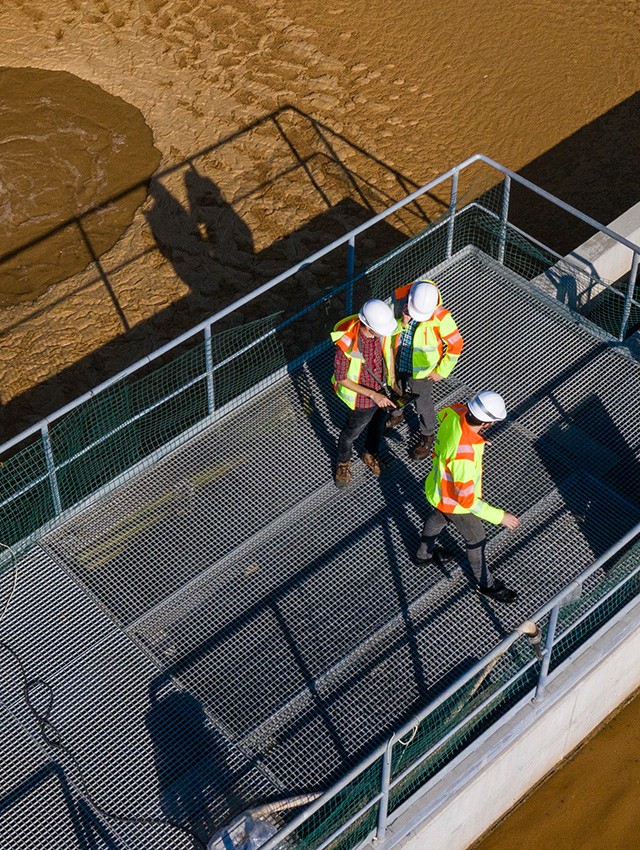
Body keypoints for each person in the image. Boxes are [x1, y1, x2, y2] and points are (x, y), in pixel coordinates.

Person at [416, 390, 520, 604]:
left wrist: (477, 441)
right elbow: (467, 501)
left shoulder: (456, 410)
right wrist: (499, 516)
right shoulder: (465, 454)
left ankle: (423, 555)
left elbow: (444, 418)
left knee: (438, 517)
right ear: (488, 423)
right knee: (476, 540)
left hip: (438, 487)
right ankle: (487, 585)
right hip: (454, 501)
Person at [390, 278, 464, 460]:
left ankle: (428, 434)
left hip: (422, 372)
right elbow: (388, 329)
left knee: (422, 404)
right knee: (396, 391)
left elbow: (456, 345)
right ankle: (397, 414)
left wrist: (441, 371)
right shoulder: (399, 299)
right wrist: (403, 323)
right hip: (398, 360)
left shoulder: (442, 317)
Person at [331, 299, 399, 488]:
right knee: (350, 434)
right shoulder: (346, 343)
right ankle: (343, 463)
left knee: (377, 426)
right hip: (363, 400)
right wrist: (373, 395)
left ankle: (370, 453)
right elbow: (341, 377)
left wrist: (392, 380)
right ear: (369, 326)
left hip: (381, 390)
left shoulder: (381, 332)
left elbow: (388, 353)